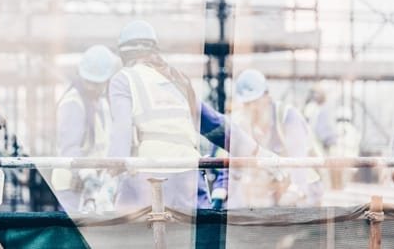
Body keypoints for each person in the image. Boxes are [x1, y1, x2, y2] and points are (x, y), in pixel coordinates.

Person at [108, 20, 273, 213]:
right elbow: (215, 125)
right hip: (189, 175)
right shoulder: (177, 80)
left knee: (129, 233)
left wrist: (112, 168)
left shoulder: (124, 79)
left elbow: (122, 128)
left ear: (124, 54)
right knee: (197, 235)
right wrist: (257, 152)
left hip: (150, 176)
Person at [229, 69, 322, 207]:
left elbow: (299, 167)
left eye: (255, 101)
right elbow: (235, 171)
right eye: (247, 104)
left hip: (305, 188)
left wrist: (293, 194)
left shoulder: (288, 117)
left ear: (267, 96)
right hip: (274, 190)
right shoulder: (242, 123)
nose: (252, 108)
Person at [51, 45, 118, 213]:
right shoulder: (73, 103)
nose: (92, 87)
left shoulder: (101, 103)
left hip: (94, 184)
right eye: (89, 82)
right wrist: (86, 176)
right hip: (73, 185)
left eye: (97, 83)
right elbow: (69, 148)